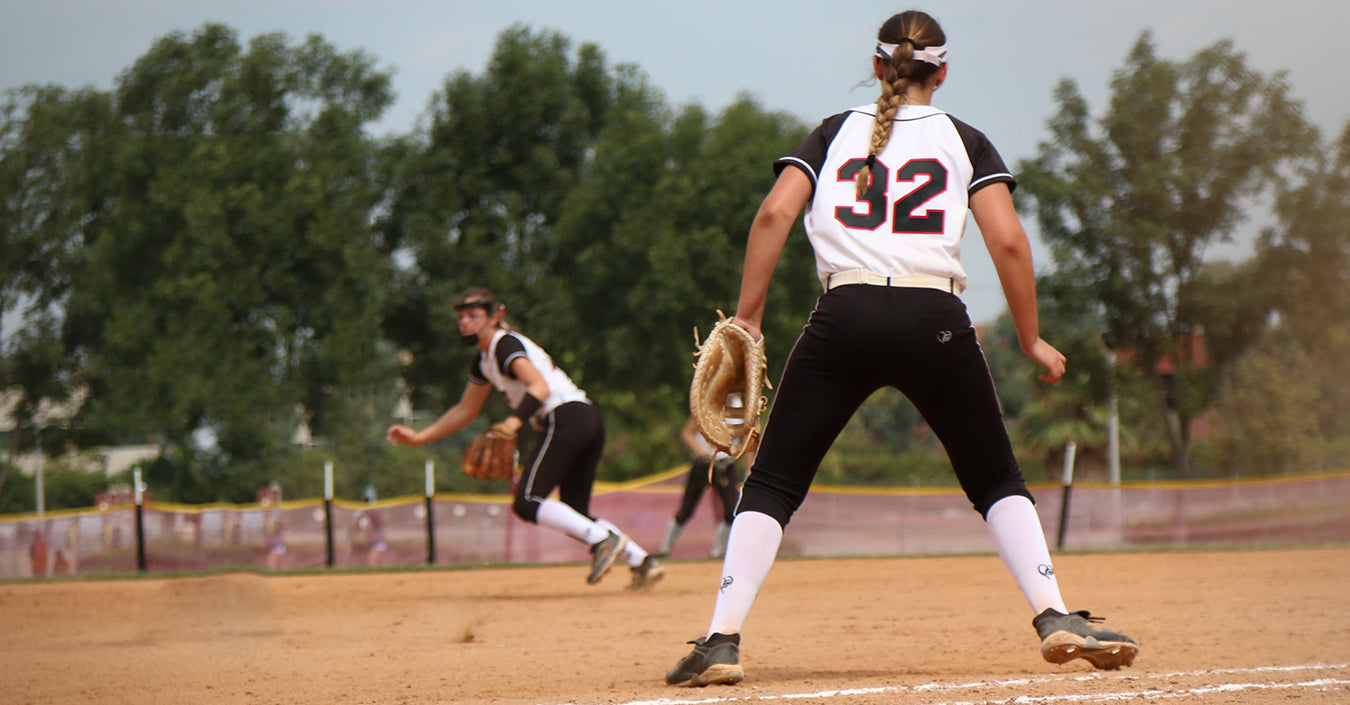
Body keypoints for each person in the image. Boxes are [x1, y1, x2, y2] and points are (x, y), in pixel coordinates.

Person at [665, 10, 1137, 687]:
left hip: (843, 315)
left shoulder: (832, 133)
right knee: (995, 477)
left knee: (772, 481)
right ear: (942, 71)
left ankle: (721, 639)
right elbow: (1008, 240)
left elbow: (773, 213)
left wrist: (748, 320)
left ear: (879, 66)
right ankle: (1054, 613)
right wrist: (1030, 337)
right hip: (934, 315)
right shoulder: (965, 139)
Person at [386, 287, 665, 589]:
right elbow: (465, 409)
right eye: (461, 317)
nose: (465, 322)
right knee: (575, 515)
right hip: (585, 418)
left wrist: (513, 422)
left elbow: (539, 387)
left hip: (565, 417)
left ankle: (603, 540)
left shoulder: (504, 344)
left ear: (497, 316)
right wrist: (419, 437)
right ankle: (642, 561)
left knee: (528, 501)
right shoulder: (484, 361)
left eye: (474, 315)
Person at [657, 417, 743, 559]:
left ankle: (717, 553)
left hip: (726, 465)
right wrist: (705, 455)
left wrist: (750, 464)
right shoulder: (706, 405)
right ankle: (664, 550)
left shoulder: (739, 407)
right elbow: (687, 433)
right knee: (686, 510)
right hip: (703, 464)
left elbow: (747, 437)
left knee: (730, 511)